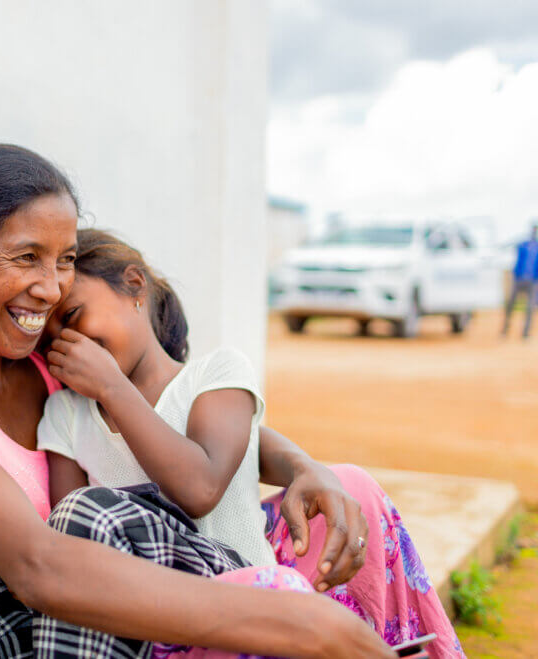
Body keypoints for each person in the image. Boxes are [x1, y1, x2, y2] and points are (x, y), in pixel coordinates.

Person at [0, 143, 431, 657]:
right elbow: (38, 567)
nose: (53, 287)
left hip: (114, 616)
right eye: (26, 257)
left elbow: (187, 417)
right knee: (90, 520)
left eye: (63, 260)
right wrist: (288, 619)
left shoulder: (48, 359)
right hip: (15, 633)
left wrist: (305, 467)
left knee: (349, 487)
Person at [37, 228, 462, 656]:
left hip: (253, 593)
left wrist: (113, 388)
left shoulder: (215, 375)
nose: (68, 345)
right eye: (51, 340)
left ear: (134, 286)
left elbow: (199, 488)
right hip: (162, 620)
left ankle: (394, 645)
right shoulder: (66, 415)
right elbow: (78, 544)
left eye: (72, 318)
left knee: (351, 484)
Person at [501, 223, 538, 338]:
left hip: (532, 281)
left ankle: (525, 333)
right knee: (510, 306)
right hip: (519, 279)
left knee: (529, 308)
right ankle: (505, 331)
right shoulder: (523, 245)